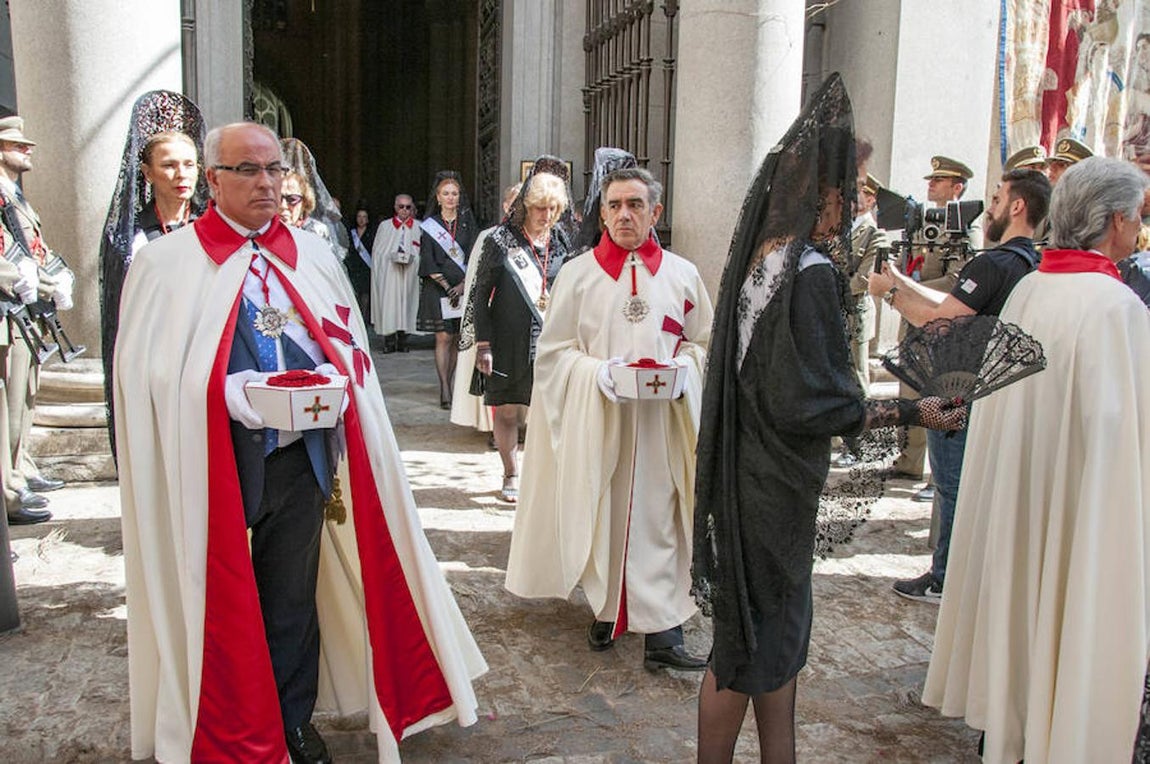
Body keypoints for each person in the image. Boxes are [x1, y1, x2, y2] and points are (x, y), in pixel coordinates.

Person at [113, 122, 486, 763]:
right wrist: (231, 394)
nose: (265, 183)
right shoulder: (165, 263)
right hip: (211, 464)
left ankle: (291, 722)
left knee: (290, 599)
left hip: (299, 459)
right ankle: (232, 724)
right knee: (219, 600)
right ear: (214, 182)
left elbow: (349, 345)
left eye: (273, 171)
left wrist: (337, 384)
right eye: (247, 171)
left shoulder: (313, 254)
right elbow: (142, 374)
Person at [691, 75, 967, 764]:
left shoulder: (766, 260)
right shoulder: (807, 272)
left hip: (748, 467)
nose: (856, 203)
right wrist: (913, 409)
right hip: (772, 485)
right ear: (829, 193)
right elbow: (810, 402)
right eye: (855, 187)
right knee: (755, 640)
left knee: (759, 637)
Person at [923, 156, 1150, 763]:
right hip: (1078, 497)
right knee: (1070, 610)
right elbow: (1121, 428)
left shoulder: (1031, 286)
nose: (1137, 230)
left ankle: (1014, 728)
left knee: (1026, 610)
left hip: (1021, 491)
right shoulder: (1114, 304)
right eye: (1136, 217)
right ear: (1116, 221)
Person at [505, 165, 713, 672]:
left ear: (655, 213)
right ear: (601, 213)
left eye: (636, 205)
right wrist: (597, 376)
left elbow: (703, 342)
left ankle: (664, 632)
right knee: (603, 514)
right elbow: (553, 356)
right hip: (599, 423)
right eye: (615, 205)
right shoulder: (577, 275)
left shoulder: (683, 275)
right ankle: (607, 610)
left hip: (663, 427)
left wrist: (686, 368)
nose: (624, 214)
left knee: (660, 520)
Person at [869, 167, 1051, 603]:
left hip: (959, 396)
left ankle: (946, 577)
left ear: (1017, 206)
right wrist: (903, 281)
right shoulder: (1031, 263)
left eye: (997, 198)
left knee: (954, 490)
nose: (990, 208)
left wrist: (888, 294)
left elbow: (940, 322)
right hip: (994, 393)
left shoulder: (993, 262)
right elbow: (954, 304)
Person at [99, 90, 208, 460]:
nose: (182, 175)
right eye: (169, 165)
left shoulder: (215, 229)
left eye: (190, 164)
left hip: (209, 361)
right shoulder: (129, 236)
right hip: (155, 366)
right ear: (147, 172)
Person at [467, 158, 572, 502]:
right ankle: (511, 472)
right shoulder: (501, 240)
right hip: (506, 338)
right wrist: (483, 344)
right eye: (540, 207)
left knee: (548, 412)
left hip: (550, 341)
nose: (546, 215)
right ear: (526, 205)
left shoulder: (561, 241)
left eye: (553, 208)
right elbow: (480, 295)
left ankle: (546, 476)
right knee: (508, 408)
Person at [0, 115, 76, 525]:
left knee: (24, 399)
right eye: (15, 144)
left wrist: (51, 278)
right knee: (7, 406)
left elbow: (31, 249)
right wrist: (18, 277)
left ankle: (18, 469)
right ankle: (8, 490)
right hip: (6, 309)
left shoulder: (15, 197)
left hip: (22, 310)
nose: (25, 149)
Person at [891, 155, 979, 500]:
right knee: (909, 392)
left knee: (937, 398)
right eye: (931, 179)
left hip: (940, 320)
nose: (932, 184)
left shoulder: (965, 226)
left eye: (940, 180)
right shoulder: (923, 222)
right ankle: (909, 461)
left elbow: (960, 278)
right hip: (913, 317)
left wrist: (909, 288)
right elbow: (904, 263)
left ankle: (934, 475)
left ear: (957, 187)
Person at [450, 183, 520, 434]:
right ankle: (494, 427)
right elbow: (477, 284)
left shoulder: (542, 239)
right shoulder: (489, 236)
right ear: (505, 205)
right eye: (513, 203)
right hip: (494, 317)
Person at [832, 172, 889, 468]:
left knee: (857, 380)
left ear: (871, 198)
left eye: (859, 194)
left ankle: (860, 445)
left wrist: (829, 288)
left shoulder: (874, 234)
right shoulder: (840, 229)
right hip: (834, 312)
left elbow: (864, 279)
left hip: (854, 312)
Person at [418, 171, 478, 408]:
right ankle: (444, 387)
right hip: (438, 289)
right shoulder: (429, 226)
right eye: (446, 193)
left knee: (455, 339)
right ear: (438, 196)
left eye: (455, 193)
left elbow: (474, 254)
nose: (451, 197)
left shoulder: (467, 222)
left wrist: (462, 286)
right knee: (443, 337)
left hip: (461, 289)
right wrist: (447, 286)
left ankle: (451, 381)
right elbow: (426, 259)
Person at [370, 193, 421, 352]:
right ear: (395, 208)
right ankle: (389, 340)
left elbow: (422, 249)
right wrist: (389, 256)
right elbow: (377, 251)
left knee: (407, 304)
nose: (404, 210)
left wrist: (413, 258)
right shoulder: (385, 226)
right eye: (401, 207)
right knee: (389, 304)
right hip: (390, 272)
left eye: (408, 207)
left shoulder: (418, 226)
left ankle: (403, 340)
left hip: (410, 272)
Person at [345, 202, 374, 320]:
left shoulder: (371, 233)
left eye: (364, 217)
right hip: (354, 267)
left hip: (367, 267)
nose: (361, 220)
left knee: (365, 294)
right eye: (359, 217)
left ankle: (364, 317)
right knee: (355, 293)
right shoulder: (351, 233)